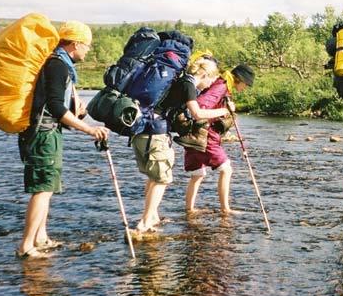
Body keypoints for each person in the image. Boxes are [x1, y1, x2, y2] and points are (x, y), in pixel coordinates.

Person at [16, 21, 109, 259]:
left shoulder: (61, 65)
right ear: (75, 43)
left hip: (46, 133)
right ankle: (26, 246)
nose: (88, 50)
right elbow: (56, 108)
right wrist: (89, 129)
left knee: (46, 187)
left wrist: (79, 112)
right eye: (86, 45)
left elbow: (59, 105)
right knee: (42, 189)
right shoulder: (58, 66)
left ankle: (41, 237)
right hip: (43, 134)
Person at [131, 56, 234, 233]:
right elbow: (197, 113)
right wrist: (224, 110)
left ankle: (152, 216)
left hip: (142, 129)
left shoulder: (181, 81)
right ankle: (144, 222)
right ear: (204, 73)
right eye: (210, 79)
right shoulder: (188, 85)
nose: (210, 85)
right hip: (155, 132)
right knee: (161, 179)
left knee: (152, 177)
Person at [183, 63, 255, 215]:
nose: (245, 88)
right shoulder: (221, 86)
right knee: (226, 169)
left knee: (198, 173)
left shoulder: (222, 84)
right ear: (239, 79)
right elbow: (201, 106)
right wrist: (224, 110)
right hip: (206, 135)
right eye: (246, 84)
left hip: (193, 134)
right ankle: (225, 209)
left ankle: (189, 210)